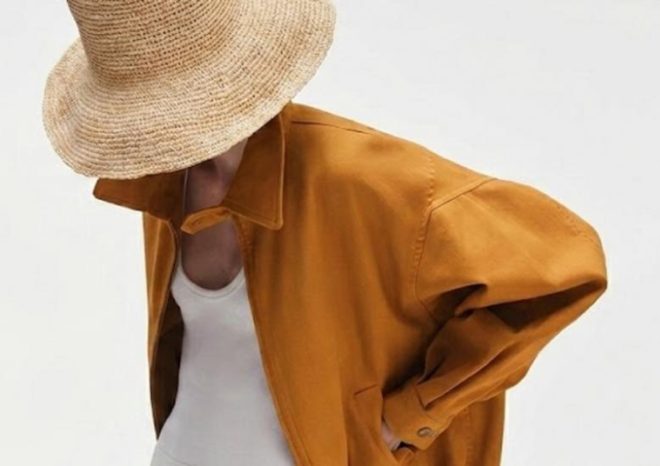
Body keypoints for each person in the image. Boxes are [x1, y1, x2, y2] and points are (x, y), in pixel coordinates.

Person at [42, 1, 609, 465]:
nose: (155, 128)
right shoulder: (162, 179)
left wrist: (410, 416)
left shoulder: (359, 178)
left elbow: (563, 261)